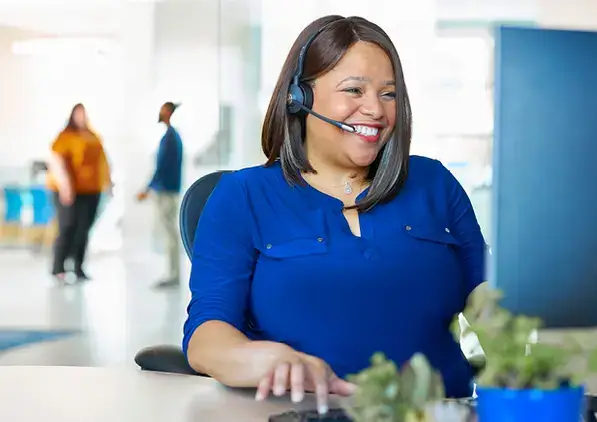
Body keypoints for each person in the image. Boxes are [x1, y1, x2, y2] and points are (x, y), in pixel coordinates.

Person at [182, 15, 487, 414]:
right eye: (354, 90)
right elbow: (206, 337)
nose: (375, 110)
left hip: (441, 411)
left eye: (389, 94)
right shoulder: (243, 197)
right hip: (308, 413)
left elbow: (489, 300)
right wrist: (265, 359)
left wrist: (531, 359)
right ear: (299, 99)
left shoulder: (435, 183)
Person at [46, 103, 112, 283]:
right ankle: (58, 267)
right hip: (68, 191)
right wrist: (65, 185)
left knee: (83, 229)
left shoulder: (93, 136)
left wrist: (109, 183)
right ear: (72, 116)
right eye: (79, 114)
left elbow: (103, 161)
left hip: (91, 190)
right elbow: (57, 161)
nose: (82, 117)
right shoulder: (65, 137)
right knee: (67, 226)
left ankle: (78, 267)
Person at [136, 102, 184, 288]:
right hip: (168, 190)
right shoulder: (171, 137)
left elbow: (161, 168)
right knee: (169, 233)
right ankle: (173, 274)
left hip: (167, 192)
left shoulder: (170, 138)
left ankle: (173, 275)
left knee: (170, 234)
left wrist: (146, 189)